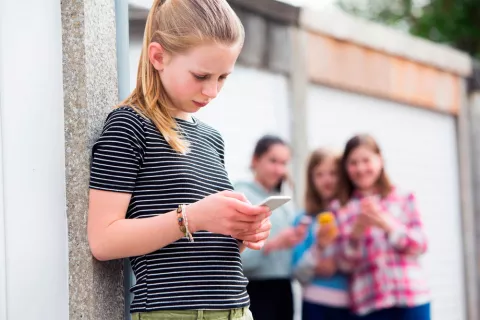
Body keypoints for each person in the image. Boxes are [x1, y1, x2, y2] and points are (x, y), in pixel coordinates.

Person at [87, 1, 272, 319]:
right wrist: (193, 217)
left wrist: (240, 231)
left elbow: (198, 248)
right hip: (175, 313)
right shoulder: (130, 125)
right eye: (201, 75)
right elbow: (103, 240)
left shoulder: (211, 138)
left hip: (238, 309)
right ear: (158, 57)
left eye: (223, 77)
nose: (212, 91)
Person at [335, 134, 430, 319]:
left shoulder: (404, 197)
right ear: (346, 167)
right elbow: (344, 265)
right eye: (353, 163)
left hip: (411, 298)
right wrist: (356, 234)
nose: (361, 168)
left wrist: (387, 224)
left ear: (380, 160)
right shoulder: (341, 208)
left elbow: (421, 244)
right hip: (369, 303)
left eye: (366, 160)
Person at [234, 135, 307, 320]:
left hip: (284, 289)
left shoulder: (285, 204)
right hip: (254, 290)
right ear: (255, 160)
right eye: (273, 161)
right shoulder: (240, 197)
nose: (279, 169)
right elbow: (234, 257)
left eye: (284, 163)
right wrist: (273, 244)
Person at [292, 148, 353, 320]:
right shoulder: (303, 220)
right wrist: (318, 248)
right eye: (319, 174)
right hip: (315, 304)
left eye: (333, 173)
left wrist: (338, 264)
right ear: (311, 179)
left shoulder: (351, 213)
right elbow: (299, 274)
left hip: (351, 306)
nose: (327, 180)